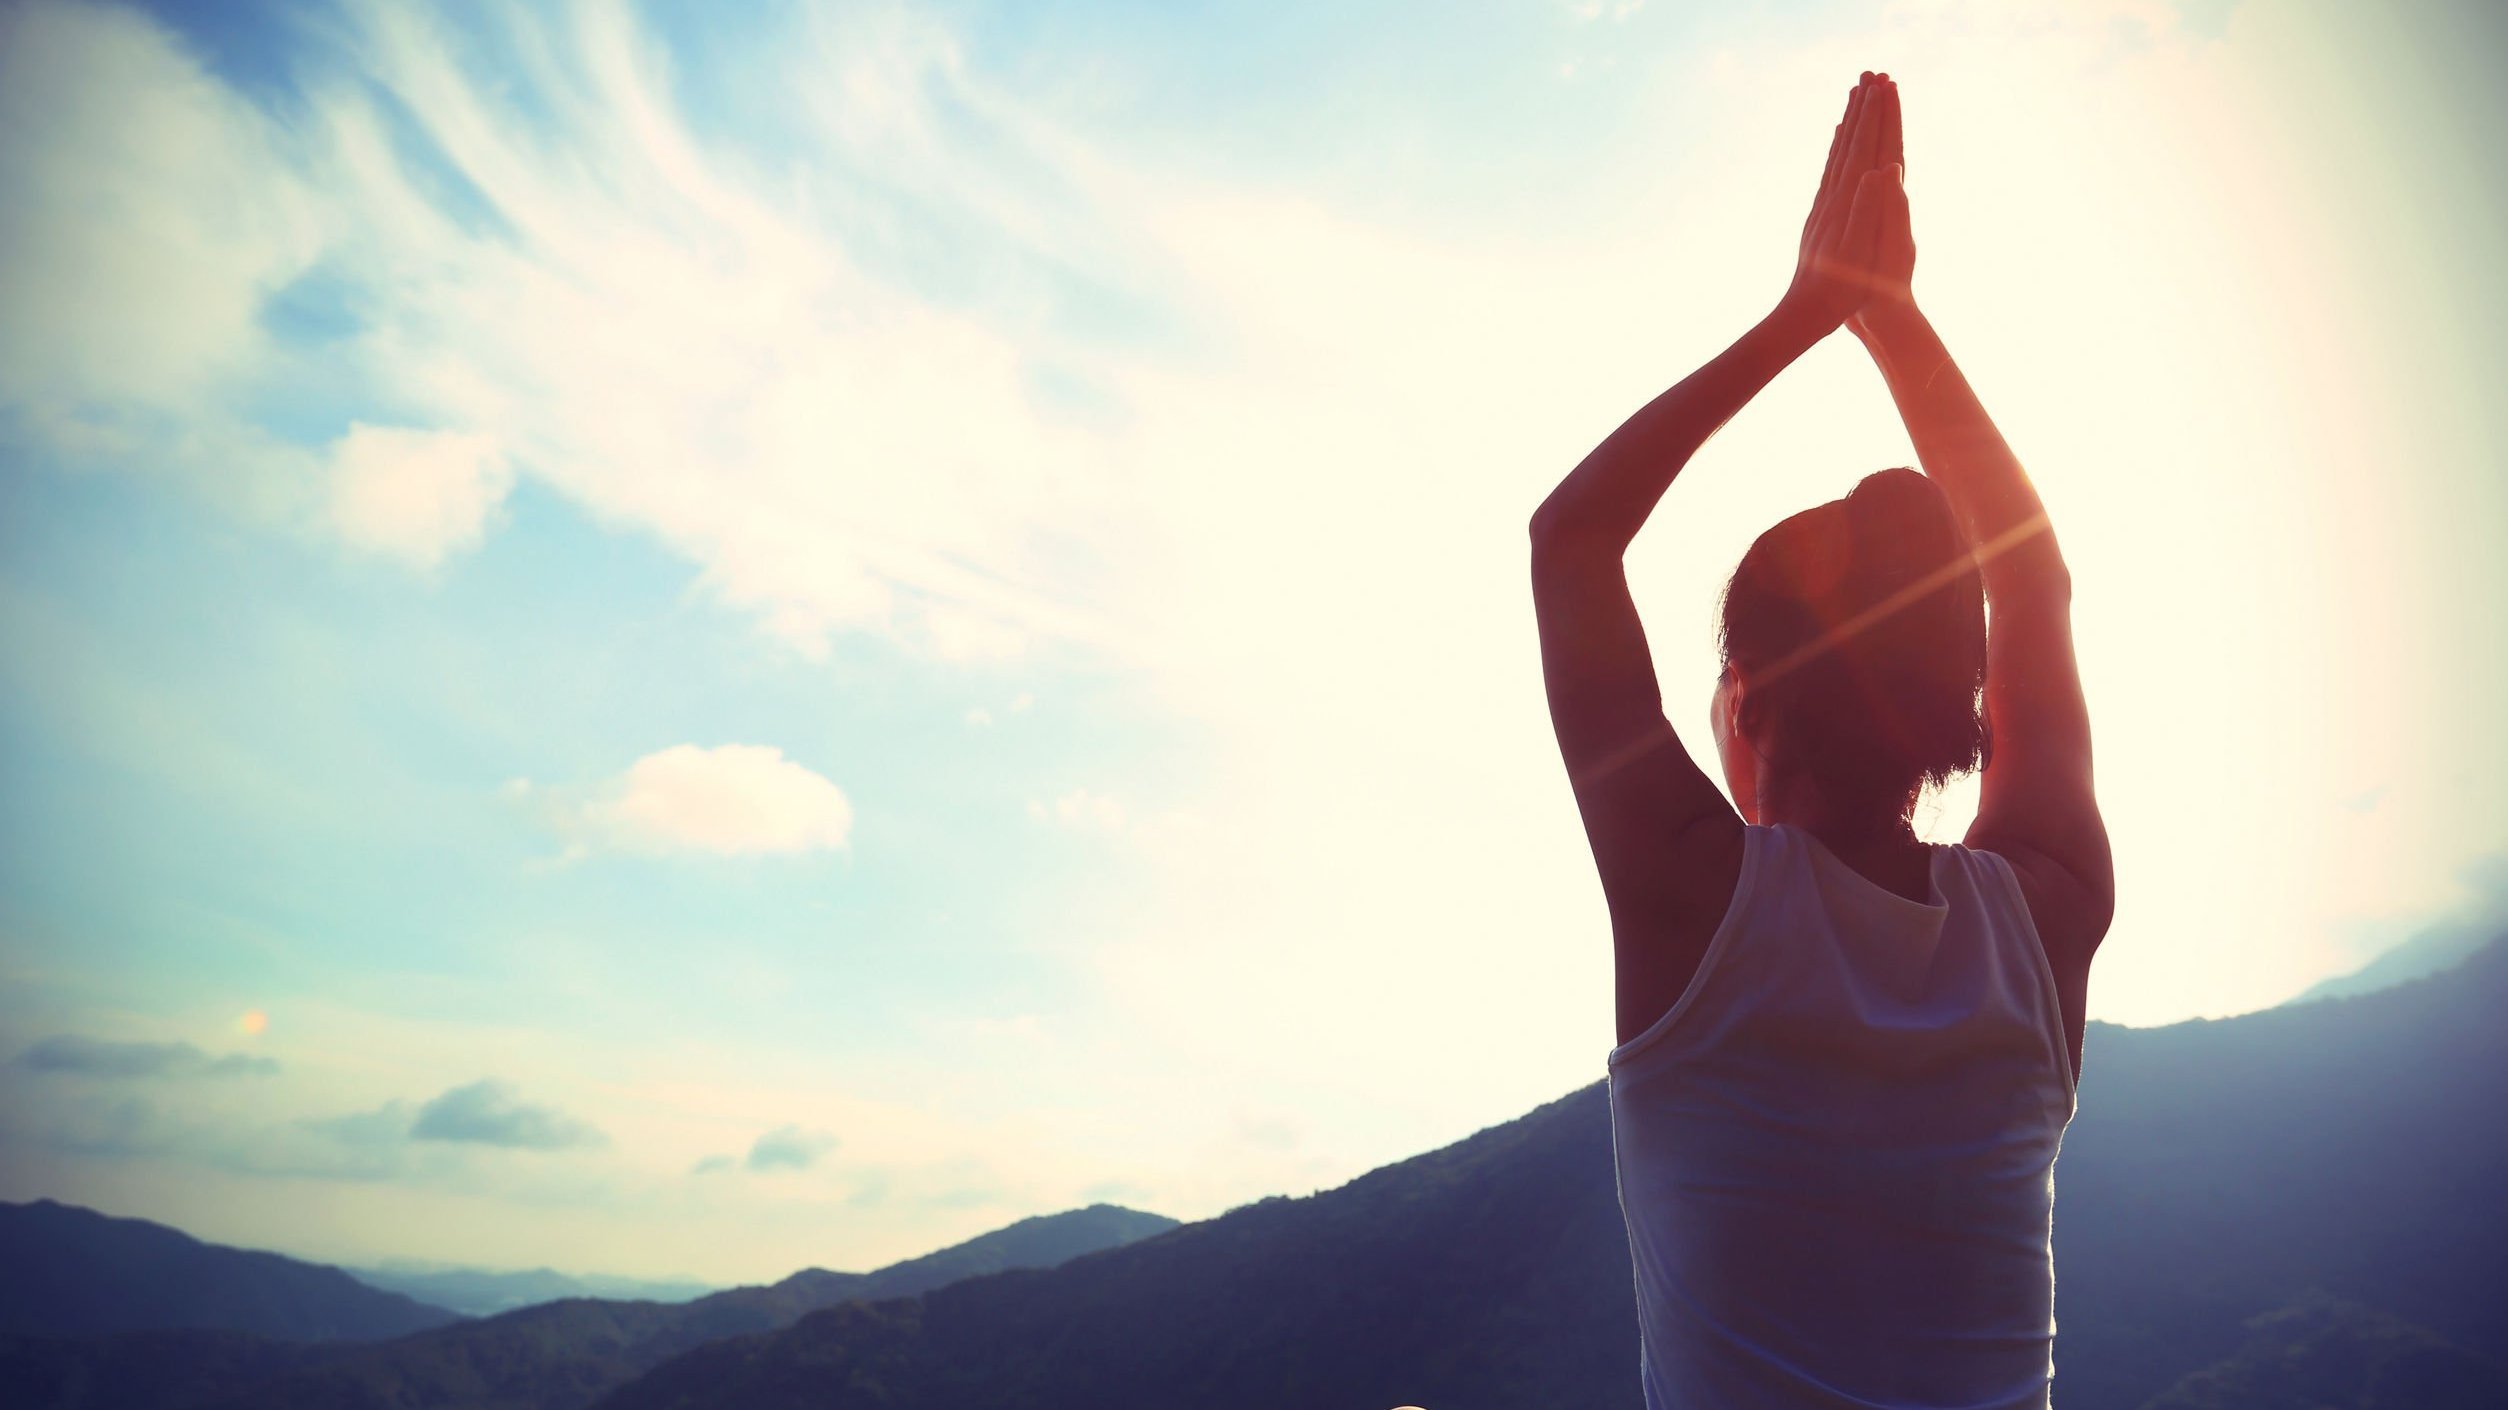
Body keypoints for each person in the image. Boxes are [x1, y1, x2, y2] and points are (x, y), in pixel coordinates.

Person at [1528, 73, 2115, 1408]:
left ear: (1750, 704)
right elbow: (2033, 579)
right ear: (1957, 706)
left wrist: (1811, 311)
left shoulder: (1693, 902)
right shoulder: (2046, 918)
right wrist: (1891, 321)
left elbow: (1569, 542)